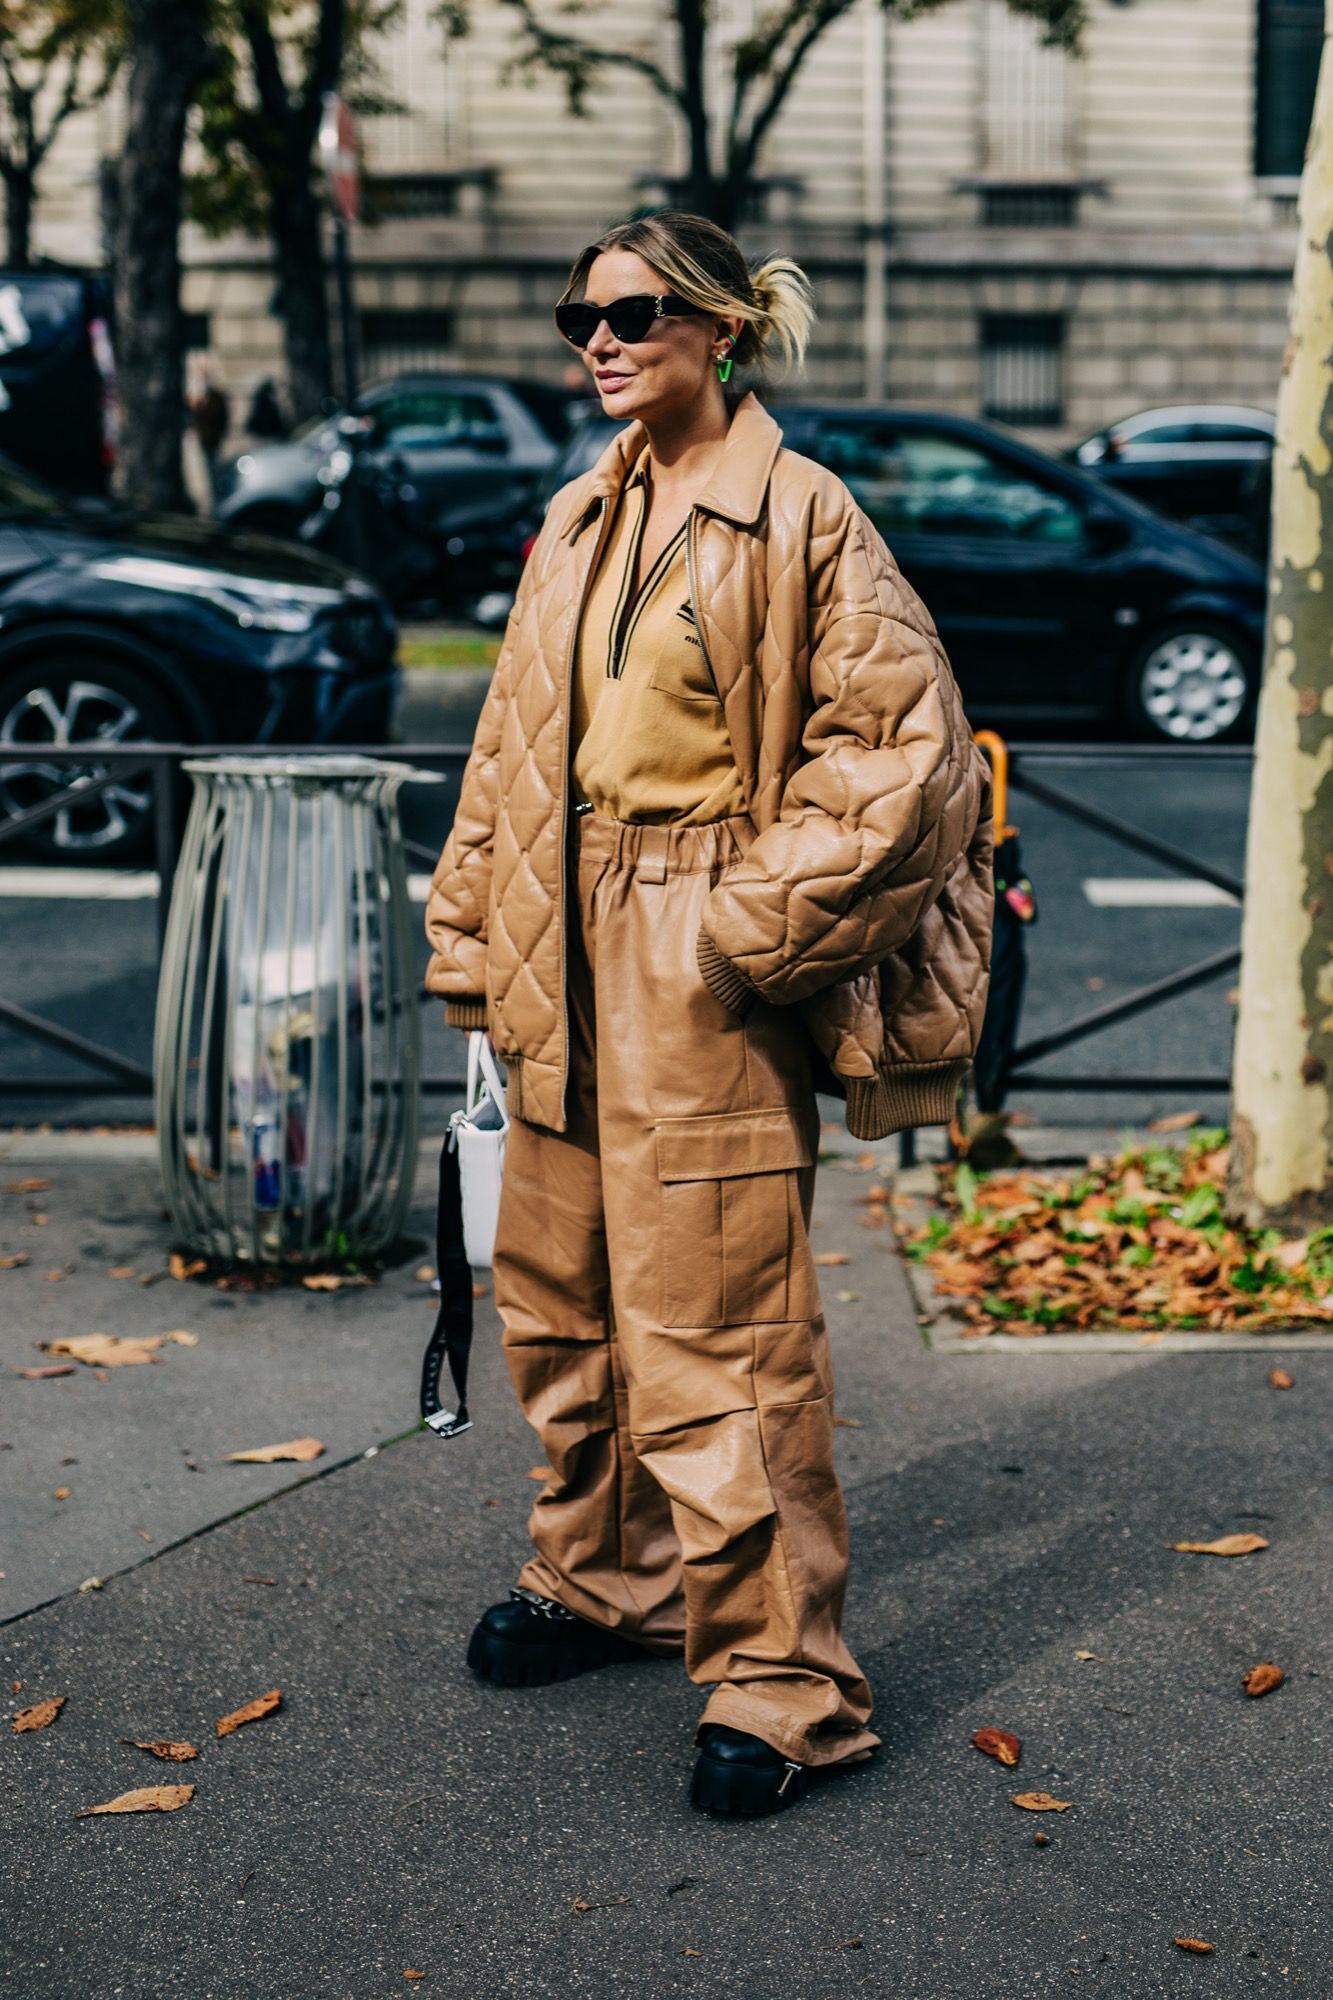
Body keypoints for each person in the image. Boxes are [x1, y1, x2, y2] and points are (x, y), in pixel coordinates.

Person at [424, 211, 993, 1818]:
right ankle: (605, 1576)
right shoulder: (582, 508)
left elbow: (905, 764)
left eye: (632, 313)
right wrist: (473, 943)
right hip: (561, 938)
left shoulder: (801, 513)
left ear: (723, 330)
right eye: (579, 318)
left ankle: (784, 1682)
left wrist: (740, 934)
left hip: (695, 942)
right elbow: (511, 745)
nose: (598, 341)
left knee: (718, 1331)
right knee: (562, 1298)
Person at [185, 357, 229, 509]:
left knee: (213, 470)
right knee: (209, 470)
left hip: (211, 439)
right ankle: (216, 500)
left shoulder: (214, 397)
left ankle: (217, 501)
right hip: (206, 438)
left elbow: (219, 417)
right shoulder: (205, 397)